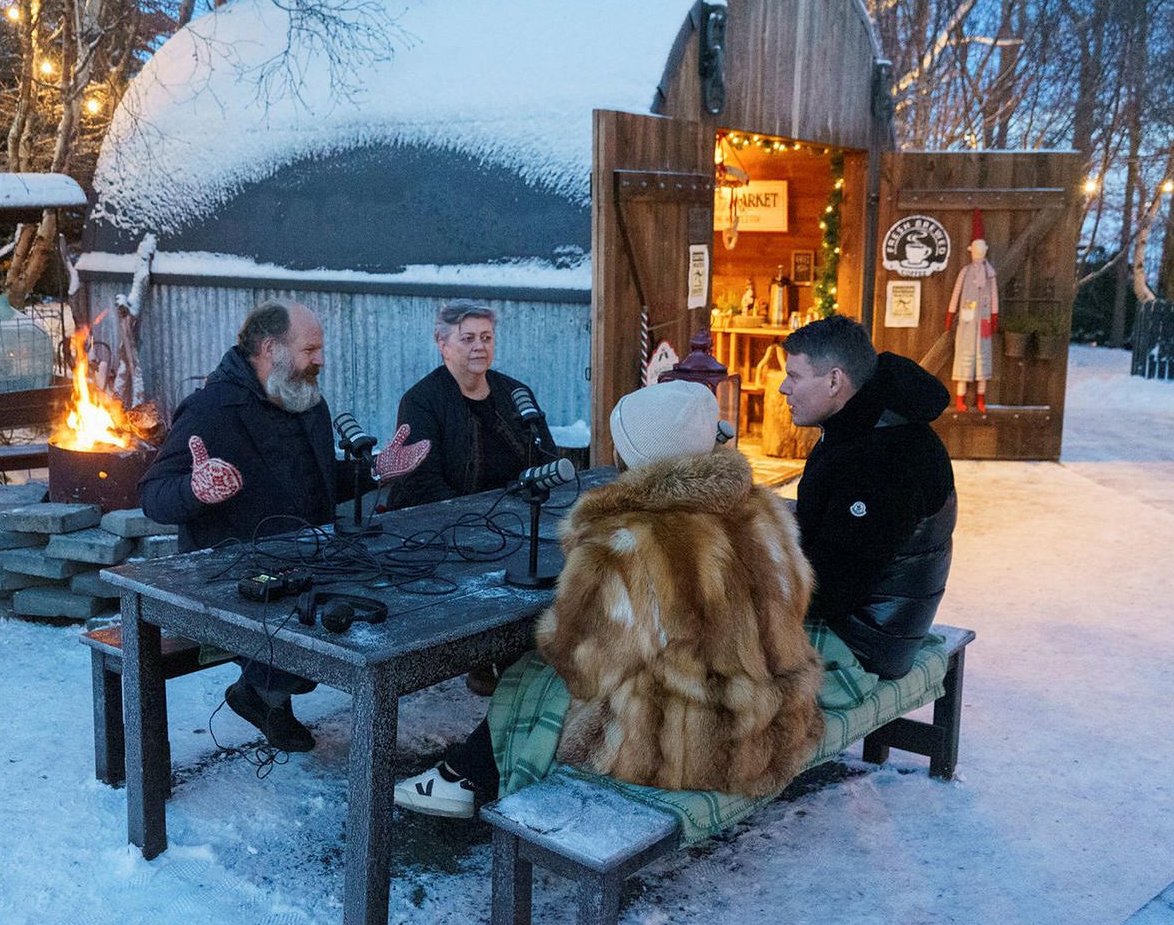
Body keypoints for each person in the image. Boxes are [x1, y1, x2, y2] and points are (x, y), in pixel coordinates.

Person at [394, 381, 824, 818]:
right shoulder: (766, 514)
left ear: (632, 455)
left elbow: (581, 667)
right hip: (774, 724)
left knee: (535, 678)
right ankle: (467, 773)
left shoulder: (624, 541)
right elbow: (796, 602)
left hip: (685, 749)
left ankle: (465, 778)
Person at [138, 299, 430, 752]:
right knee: (309, 623)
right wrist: (196, 490)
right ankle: (264, 694)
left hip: (306, 557)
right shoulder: (210, 409)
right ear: (271, 349)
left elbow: (319, 481)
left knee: (378, 594)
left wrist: (374, 469)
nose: (321, 360)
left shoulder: (306, 400)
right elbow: (153, 495)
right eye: (311, 349)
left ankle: (262, 695)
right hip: (228, 573)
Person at [778, 315, 956, 681]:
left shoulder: (881, 460)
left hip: (867, 643)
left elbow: (830, 591)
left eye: (794, 376)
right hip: (869, 618)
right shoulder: (865, 425)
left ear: (834, 380)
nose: (783, 388)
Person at [385, 300, 558, 511]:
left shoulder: (516, 392)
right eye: (468, 339)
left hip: (520, 515)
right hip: (447, 523)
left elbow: (548, 459)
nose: (479, 346)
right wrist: (477, 517)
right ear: (443, 344)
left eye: (486, 338)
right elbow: (421, 484)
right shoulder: (420, 401)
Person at [944, 209, 999, 413]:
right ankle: (960, 398)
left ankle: (981, 398)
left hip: (982, 322)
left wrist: (994, 315)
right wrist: (951, 314)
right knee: (964, 356)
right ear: (972, 250)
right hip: (967, 323)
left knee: (983, 358)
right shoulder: (965, 273)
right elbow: (956, 293)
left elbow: (994, 295)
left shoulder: (990, 273)